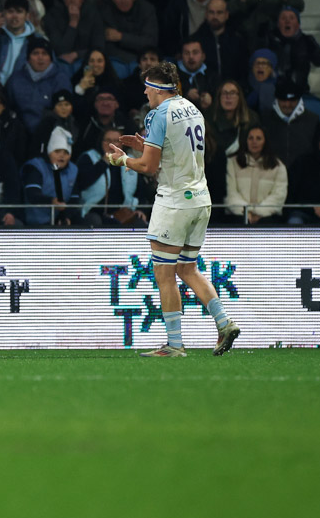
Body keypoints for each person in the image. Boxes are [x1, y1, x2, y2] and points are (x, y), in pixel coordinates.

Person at [107, 61, 240, 357]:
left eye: (147, 87)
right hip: (201, 199)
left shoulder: (159, 113)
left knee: (165, 274)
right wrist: (144, 144)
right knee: (188, 268)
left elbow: (149, 167)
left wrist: (122, 160)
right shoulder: (193, 109)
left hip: (174, 202)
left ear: (157, 89)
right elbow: (175, 150)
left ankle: (175, 345)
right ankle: (224, 322)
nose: (144, 91)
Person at [76, 127, 145, 227]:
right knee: (94, 222)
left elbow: (141, 191)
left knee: (140, 223)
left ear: (122, 143)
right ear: (101, 142)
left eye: (117, 141)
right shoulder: (89, 157)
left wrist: (141, 210)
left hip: (124, 213)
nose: (112, 145)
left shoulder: (131, 161)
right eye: (108, 141)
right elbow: (82, 183)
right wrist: (104, 162)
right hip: (94, 212)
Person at [7, 35, 73, 134]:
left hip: (51, 131)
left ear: (50, 58)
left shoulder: (60, 79)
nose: (40, 57)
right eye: (35, 53)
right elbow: (7, 105)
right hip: (20, 132)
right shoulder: (16, 79)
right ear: (28, 58)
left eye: (45, 53)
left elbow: (65, 110)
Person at [225, 126, 288, 224]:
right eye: (250, 138)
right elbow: (231, 194)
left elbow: (278, 196)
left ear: (265, 142)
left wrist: (259, 213)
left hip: (267, 217)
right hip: (238, 216)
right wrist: (247, 213)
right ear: (245, 141)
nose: (254, 142)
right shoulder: (232, 163)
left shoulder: (278, 167)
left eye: (258, 138)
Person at [45, 0, 106, 73]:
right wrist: (73, 23)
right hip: (61, 63)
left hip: (87, 60)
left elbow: (99, 46)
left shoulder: (92, 14)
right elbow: (60, 50)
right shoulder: (52, 16)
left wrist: (76, 54)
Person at [260, 79, 320, 168]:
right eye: (283, 100)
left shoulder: (314, 120)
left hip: (303, 176)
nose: (287, 104)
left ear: (299, 100)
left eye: (292, 100)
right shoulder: (264, 120)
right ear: (277, 100)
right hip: (271, 174)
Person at [23, 127, 78, 226]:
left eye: (66, 153)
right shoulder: (36, 167)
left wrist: (66, 216)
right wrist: (52, 202)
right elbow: (32, 194)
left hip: (60, 223)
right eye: (57, 152)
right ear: (49, 152)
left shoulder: (73, 170)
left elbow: (75, 198)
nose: (62, 156)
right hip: (34, 224)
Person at [265, 6, 320, 93]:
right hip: (273, 90)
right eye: (283, 18)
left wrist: (312, 48)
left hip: (300, 90)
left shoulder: (306, 40)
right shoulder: (269, 40)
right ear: (278, 24)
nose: (287, 21)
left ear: (298, 24)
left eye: (291, 18)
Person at [190, 0, 247, 84]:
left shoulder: (237, 40)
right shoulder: (196, 41)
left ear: (226, 15)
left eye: (219, 12)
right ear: (206, 14)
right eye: (211, 12)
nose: (215, 16)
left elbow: (243, 71)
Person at [100, 0, 159, 66]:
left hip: (143, 59)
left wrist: (121, 37)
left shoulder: (146, 9)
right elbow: (105, 45)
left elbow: (150, 42)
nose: (123, 1)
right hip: (116, 59)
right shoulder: (105, 11)